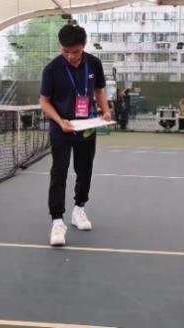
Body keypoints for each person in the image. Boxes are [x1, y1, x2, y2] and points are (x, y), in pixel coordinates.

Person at [39, 23, 111, 246]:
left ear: (84, 46)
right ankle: (57, 221)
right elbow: (44, 101)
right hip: (61, 128)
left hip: (87, 127)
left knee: (84, 170)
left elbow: (98, 90)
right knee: (59, 172)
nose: (70, 56)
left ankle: (79, 209)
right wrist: (60, 121)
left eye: (75, 51)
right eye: (65, 51)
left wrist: (106, 110)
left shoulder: (94, 63)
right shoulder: (51, 69)